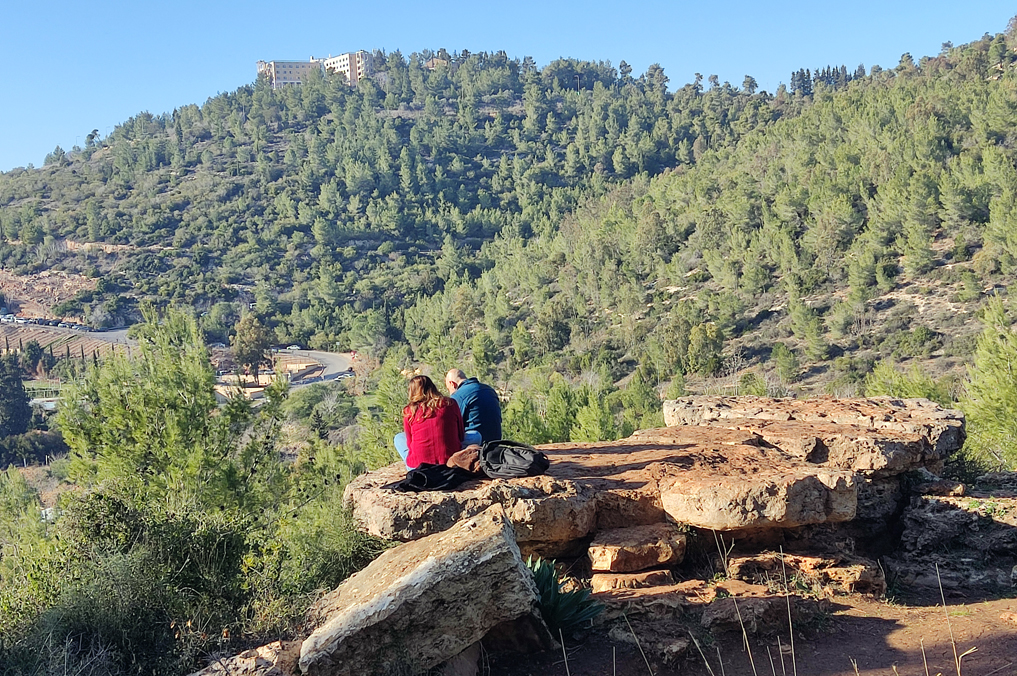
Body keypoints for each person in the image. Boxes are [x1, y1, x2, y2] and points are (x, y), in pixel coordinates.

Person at [394, 375, 464, 469]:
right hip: (450, 460)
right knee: (475, 434)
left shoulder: (409, 411)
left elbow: (410, 441)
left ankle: (413, 461)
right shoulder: (450, 403)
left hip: (418, 465)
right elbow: (461, 434)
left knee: (398, 438)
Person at [445, 369, 502, 443]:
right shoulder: (489, 390)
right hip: (496, 439)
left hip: (476, 442)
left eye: (449, 389)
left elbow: (452, 425)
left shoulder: (458, 396)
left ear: (452, 384)